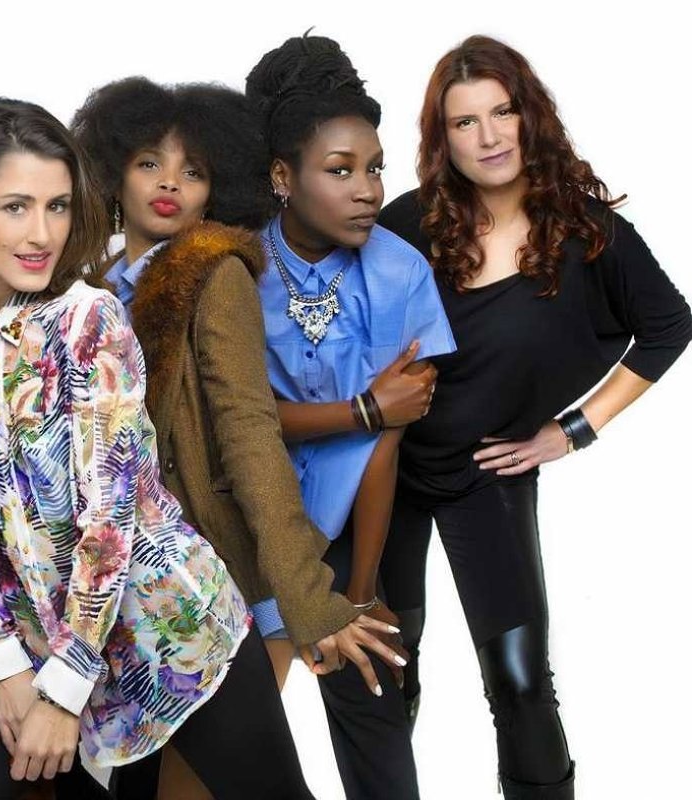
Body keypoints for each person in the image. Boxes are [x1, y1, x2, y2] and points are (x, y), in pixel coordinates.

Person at [0, 97, 318, 800]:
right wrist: (1, 662)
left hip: (169, 625)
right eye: (16, 207)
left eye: (57, 206)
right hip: (36, 635)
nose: (41, 234)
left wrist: (64, 691)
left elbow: (110, 518)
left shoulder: (90, 319)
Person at [71, 75, 409, 800]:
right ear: (113, 174)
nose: (170, 183)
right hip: (129, 590)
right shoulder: (90, 290)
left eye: (193, 170)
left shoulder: (213, 274)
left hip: (223, 576)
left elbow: (251, 431)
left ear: (215, 188)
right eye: (149, 163)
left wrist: (308, 597)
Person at [378, 35, 692, 798]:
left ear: (530, 116)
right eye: (465, 122)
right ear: (443, 138)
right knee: (386, 675)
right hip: (385, 471)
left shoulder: (587, 232)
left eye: (503, 112)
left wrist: (572, 431)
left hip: (488, 474)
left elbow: (669, 326)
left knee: (520, 686)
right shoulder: (409, 222)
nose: (489, 137)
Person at [243, 34, 459, 798]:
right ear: (282, 176)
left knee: (374, 691)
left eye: (374, 169)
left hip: (352, 523)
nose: (367, 190)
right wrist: (363, 407)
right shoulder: (234, 267)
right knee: (234, 732)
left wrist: (359, 594)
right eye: (341, 170)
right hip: (241, 522)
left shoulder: (399, 272)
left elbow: (384, 443)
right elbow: (237, 423)